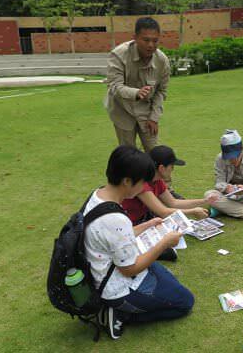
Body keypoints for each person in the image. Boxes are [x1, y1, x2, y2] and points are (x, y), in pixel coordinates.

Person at [83, 145, 194, 340]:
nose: (144, 187)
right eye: (141, 182)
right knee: (185, 302)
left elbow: (116, 238)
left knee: (168, 279)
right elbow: (129, 269)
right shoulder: (115, 219)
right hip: (117, 285)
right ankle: (119, 313)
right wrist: (164, 243)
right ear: (127, 181)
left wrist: (148, 225)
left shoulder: (98, 196)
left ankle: (125, 307)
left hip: (110, 266)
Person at [106, 17, 170, 152]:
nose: (151, 45)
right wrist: (136, 93)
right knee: (128, 155)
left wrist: (154, 117)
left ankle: (155, 173)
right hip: (122, 110)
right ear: (135, 38)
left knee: (154, 152)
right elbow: (114, 86)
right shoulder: (118, 55)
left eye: (155, 40)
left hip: (146, 111)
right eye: (146, 40)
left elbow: (161, 91)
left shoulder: (162, 60)